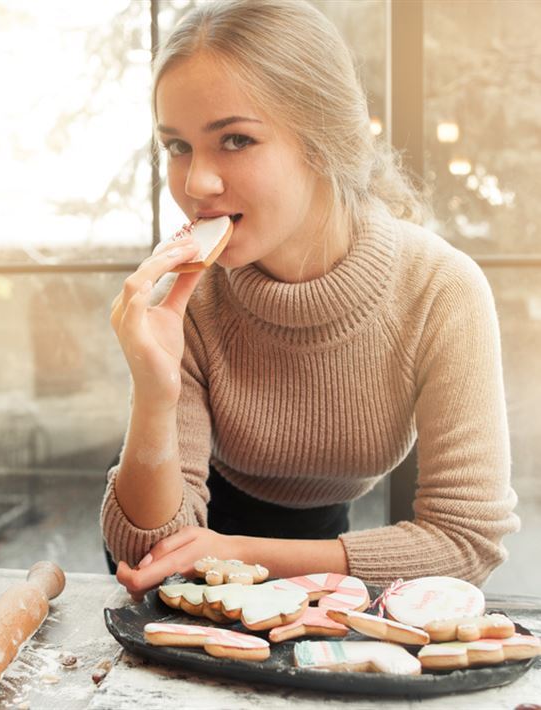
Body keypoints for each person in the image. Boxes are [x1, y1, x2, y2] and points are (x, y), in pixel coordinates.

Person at [101, 0, 519, 599]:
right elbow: (147, 553)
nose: (196, 184)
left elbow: (466, 543)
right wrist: (153, 394)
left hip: (313, 556)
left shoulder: (441, 290)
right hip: (179, 560)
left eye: (236, 139)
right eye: (177, 146)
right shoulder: (186, 303)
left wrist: (239, 553)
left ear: (322, 140)